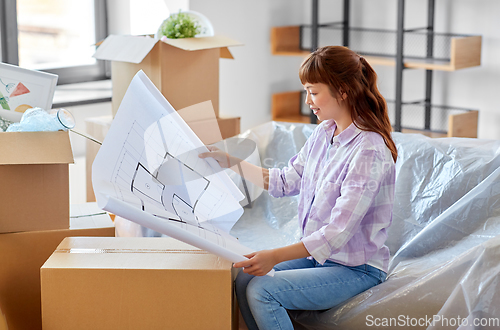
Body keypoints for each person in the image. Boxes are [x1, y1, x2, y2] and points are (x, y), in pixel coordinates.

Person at [199, 45, 397, 330]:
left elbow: (337, 232)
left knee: (262, 290)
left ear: (342, 90)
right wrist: (231, 162)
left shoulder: (369, 151)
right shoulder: (324, 132)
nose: (308, 101)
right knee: (245, 278)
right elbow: (285, 181)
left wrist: (275, 255)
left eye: (313, 92)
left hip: (357, 269)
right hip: (320, 261)